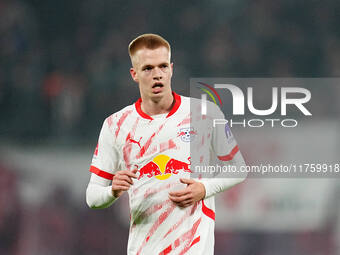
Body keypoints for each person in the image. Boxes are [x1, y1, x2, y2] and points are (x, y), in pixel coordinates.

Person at [86, 33, 246, 255]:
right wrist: (112, 191)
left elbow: (239, 169)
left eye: (162, 66)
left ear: (172, 69)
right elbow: (92, 196)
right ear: (134, 74)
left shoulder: (205, 113)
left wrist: (205, 189)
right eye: (148, 69)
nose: (157, 75)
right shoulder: (116, 125)